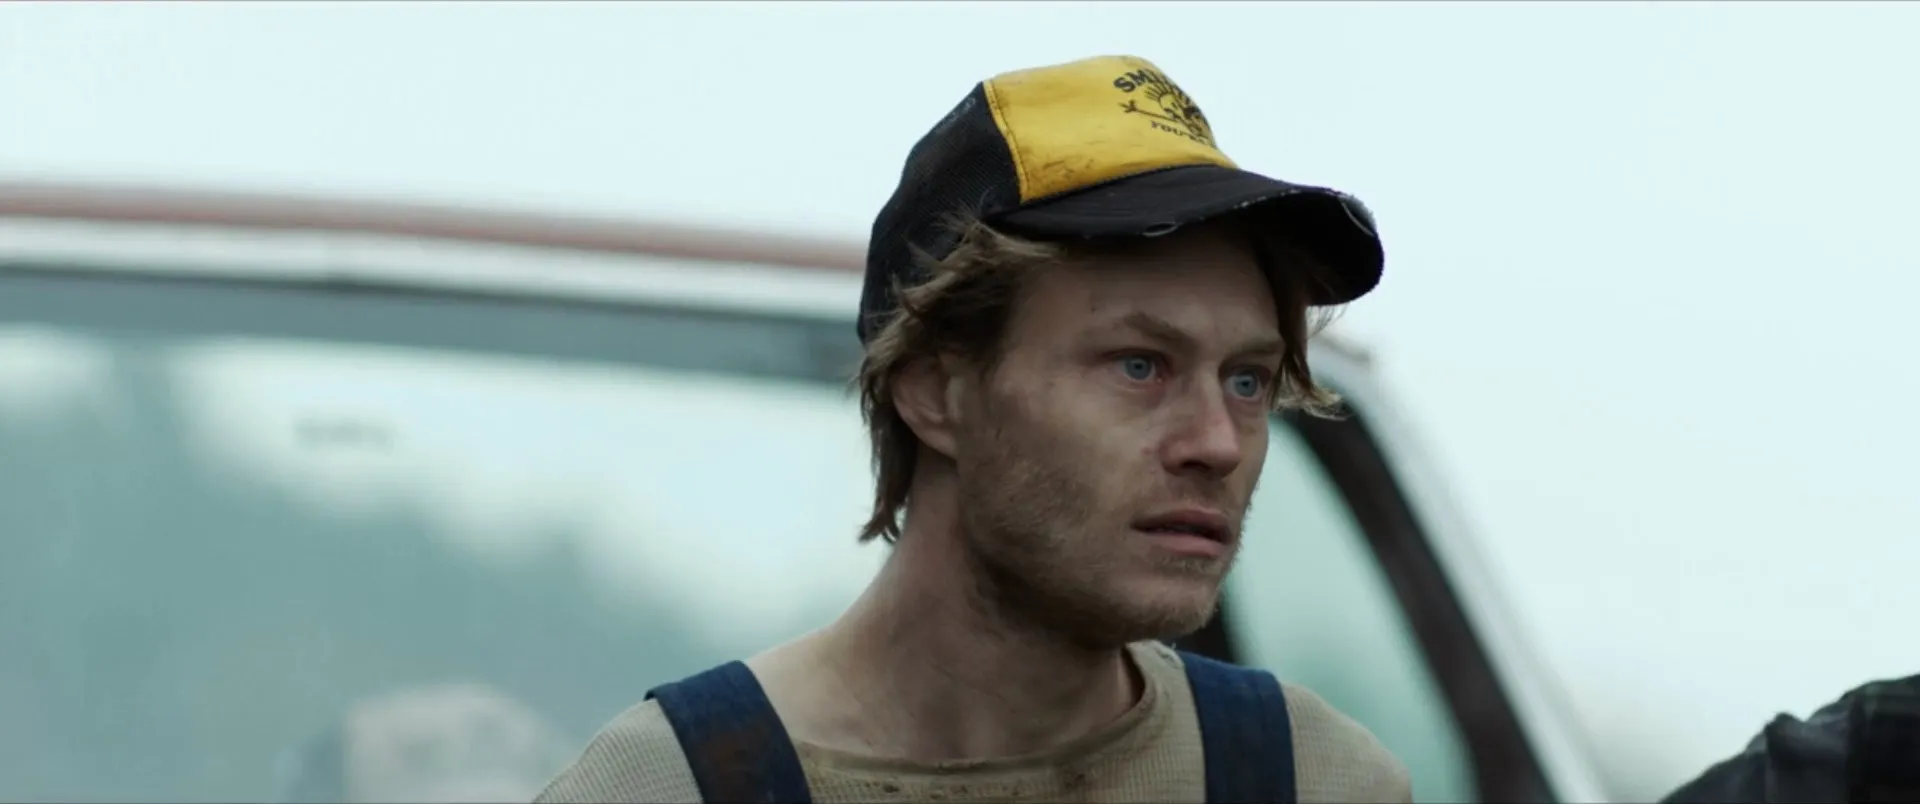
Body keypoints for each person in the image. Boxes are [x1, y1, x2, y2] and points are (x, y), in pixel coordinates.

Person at [537, 53, 1408, 804]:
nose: (1216, 442)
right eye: (1140, 366)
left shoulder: (1314, 781)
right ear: (934, 391)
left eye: (1248, 380)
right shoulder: (671, 786)